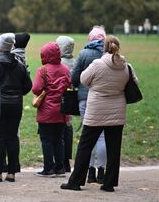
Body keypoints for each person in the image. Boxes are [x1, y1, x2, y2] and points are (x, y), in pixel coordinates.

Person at [61, 35, 134, 192]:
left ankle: (76, 181)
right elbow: (133, 82)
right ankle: (109, 183)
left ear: (104, 47)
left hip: (97, 110)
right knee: (114, 149)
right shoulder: (125, 66)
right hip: (117, 111)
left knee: (85, 146)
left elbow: (83, 79)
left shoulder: (97, 64)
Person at [0, 33, 32, 183]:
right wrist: (18, 93)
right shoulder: (20, 65)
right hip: (16, 104)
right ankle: (12, 173)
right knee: (12, 136)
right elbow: (28, 85)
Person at [71, 26, 106, 183]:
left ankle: (90, 172)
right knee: (102, 136)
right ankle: (102, 172)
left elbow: (74, 76)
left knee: (88, 135)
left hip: (85, 98)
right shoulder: (107, 54)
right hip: (105, 99)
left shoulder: (83, 53)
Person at [32, 42, 71, 177]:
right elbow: (69, 86)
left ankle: (48, 169)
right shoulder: (65, 69)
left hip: (47, 111)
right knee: (59, 139)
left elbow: (36, 89)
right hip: (62, 110)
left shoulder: (42, 70)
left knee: (47, 140)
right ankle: (60, 168)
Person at [56, 35, 76, 172]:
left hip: (57, 100)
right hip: (71, 99)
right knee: (68, 128)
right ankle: (67, 161)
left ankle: (59, 161)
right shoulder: (75, 62)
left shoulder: (57, 63)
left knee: (58, 132)